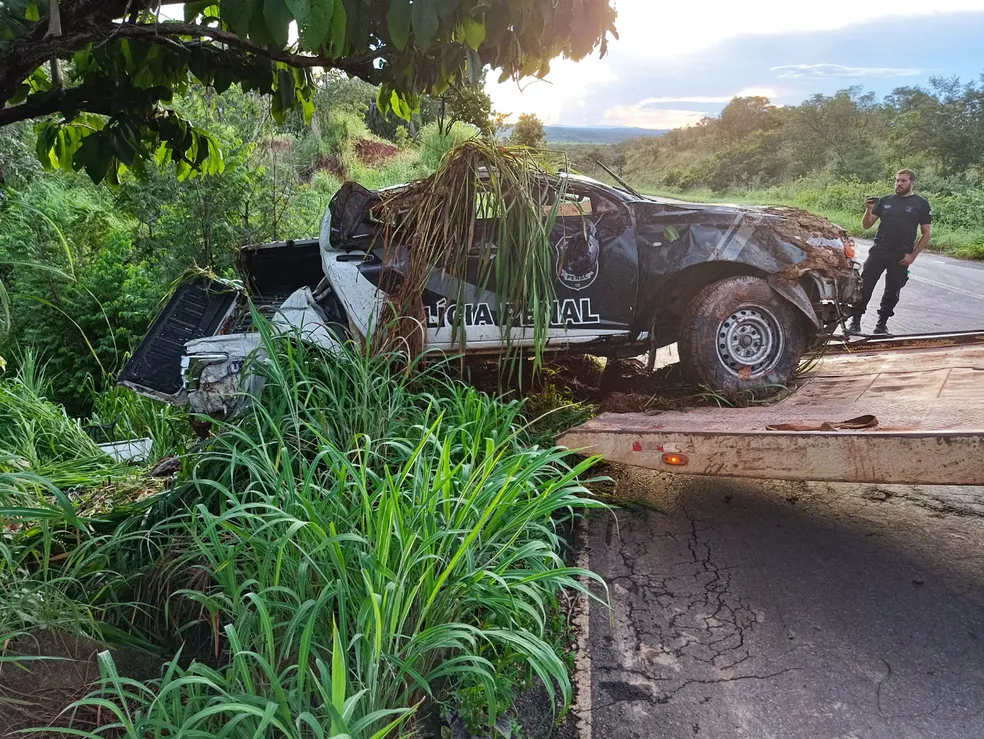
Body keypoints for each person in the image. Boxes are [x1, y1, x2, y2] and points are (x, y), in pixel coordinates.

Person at [847, 169, 931, 335]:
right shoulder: (886, 201)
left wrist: (912, 256)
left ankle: (881, 324)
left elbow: (926, 233)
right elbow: (867, 225)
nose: (899, 184)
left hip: (901, 255)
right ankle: (855, 322)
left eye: (903, 181)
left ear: (912, 183)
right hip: (879, 251)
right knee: (864, 286)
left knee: (892, 291)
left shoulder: (921, 204)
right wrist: (869, 209)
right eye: (897, 180)